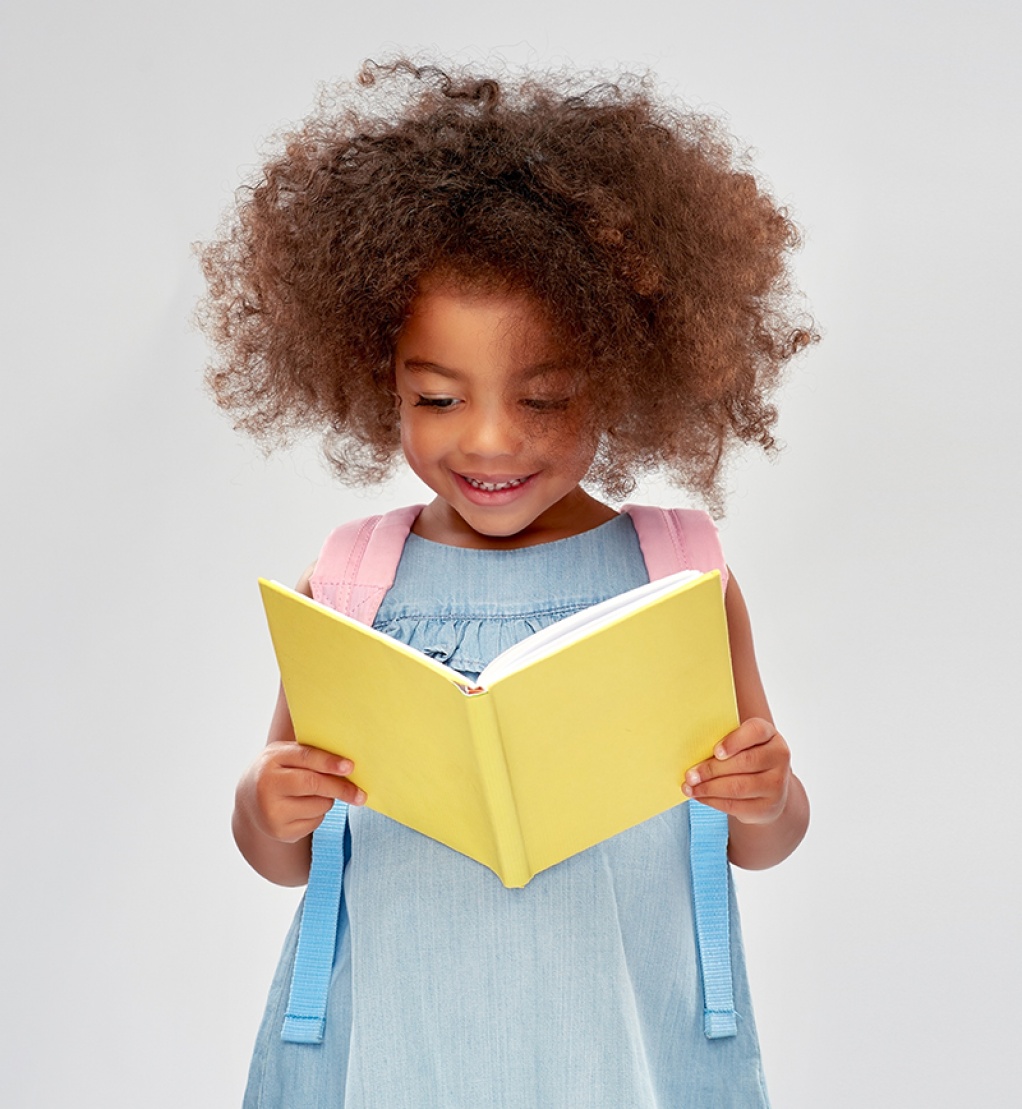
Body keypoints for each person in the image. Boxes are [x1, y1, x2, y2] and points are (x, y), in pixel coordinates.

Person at [199, 57, 814, 1107]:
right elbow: (283, 856)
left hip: (619, 1037)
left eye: (544, 397)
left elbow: (762, 839)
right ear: (376, 375)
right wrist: (267, 802)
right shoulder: (351, 579)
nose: (488, 440)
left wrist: (765, 790)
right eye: (437, 397)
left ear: (622, 376)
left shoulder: (680, 575)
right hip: (390, 1041)